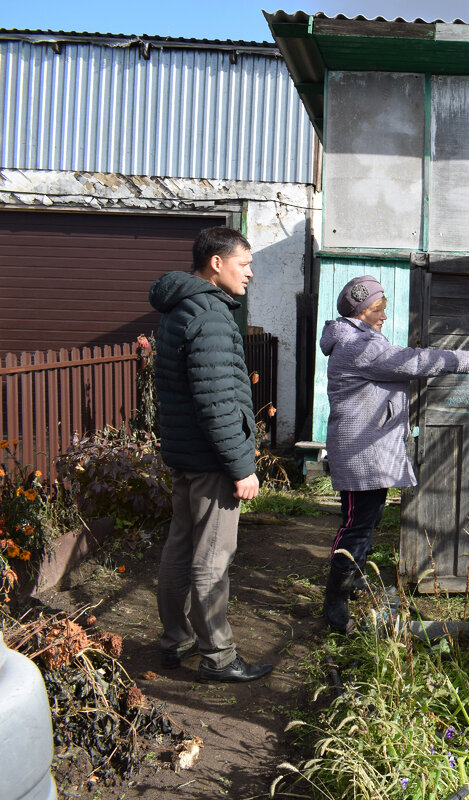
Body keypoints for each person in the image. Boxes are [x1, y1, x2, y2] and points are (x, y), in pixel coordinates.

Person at [320, 275, 469, 633]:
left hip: (368, 452)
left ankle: (354, 582)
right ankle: (334, 605)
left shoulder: (361, 340)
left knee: (365, 522)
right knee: (356, 526)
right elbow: (414, 361)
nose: (384, 315)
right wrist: (468, 357)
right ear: (361, 311)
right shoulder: (360, 346)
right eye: (378, 308)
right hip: (362, 454)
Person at [148, 226, 273, 683]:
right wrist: (241, 467)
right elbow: (217, 401)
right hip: (211, 463)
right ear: (216, 263)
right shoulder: (212, 316)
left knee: (179, 551)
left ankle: (175, 640)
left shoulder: (181, 309)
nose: (251, 274)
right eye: (244, 265)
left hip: (186, 456)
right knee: (212, 559)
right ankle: (218, 655)